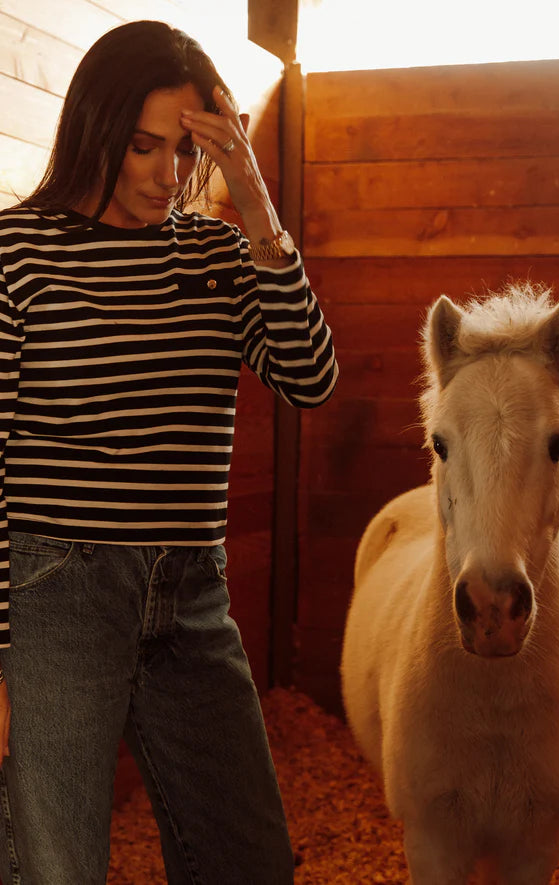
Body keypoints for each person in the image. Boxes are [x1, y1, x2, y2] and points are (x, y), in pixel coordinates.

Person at [0, 19, 338, 885]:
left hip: (192, 593)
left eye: (187, 151)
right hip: (55, 593)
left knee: (250, 862)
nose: (170, 176)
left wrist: (259, 208)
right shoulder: (16, 253)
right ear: (97, 129)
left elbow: (310, 378)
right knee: (54, 869)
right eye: (145, 147)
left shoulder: (224, 256)